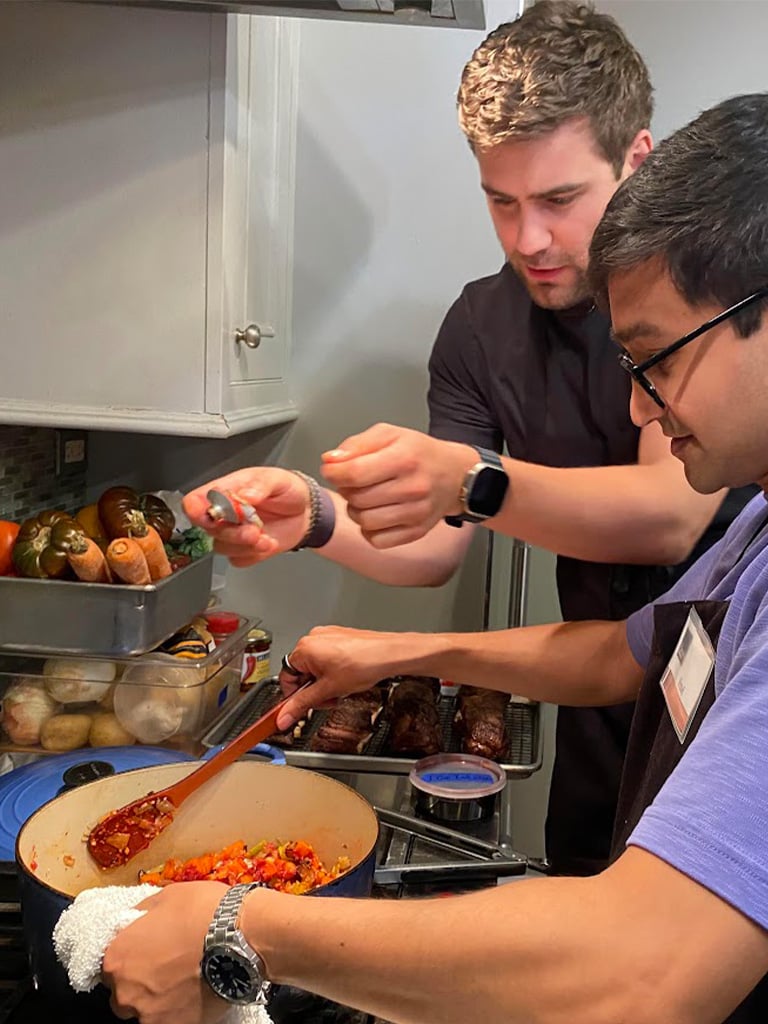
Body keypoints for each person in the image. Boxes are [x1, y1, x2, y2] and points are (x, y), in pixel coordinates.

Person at [104, 92, 768, 1024]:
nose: (637, 410)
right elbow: (623, 653)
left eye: (656, 363)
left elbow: (641, 973)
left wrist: (240, 927)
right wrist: (359, 578)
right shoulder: (755, 524)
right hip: (633, 765)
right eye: (502, 202)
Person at [183, 1, 753, 877]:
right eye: (501, 201)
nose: (531, 239)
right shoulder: (482, 327)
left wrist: (473, 480)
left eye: (560, 200)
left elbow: (668, 517)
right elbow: (443, 545)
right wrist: (323, 519)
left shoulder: (689, 303)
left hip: (731, 699)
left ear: (637, 159)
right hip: (602, 684)